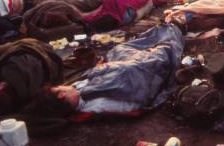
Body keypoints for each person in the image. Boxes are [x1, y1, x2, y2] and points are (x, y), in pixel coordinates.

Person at [32, 24, 183, 116]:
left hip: (122, 65)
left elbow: (97, 73)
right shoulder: (97, 105)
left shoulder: (78, 89)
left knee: (120, 48)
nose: (66, 86)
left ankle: (162, 33)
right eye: (60, 88)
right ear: (62, 96)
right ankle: (172, 31)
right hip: (140, 69)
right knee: (165, 48)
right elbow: (137, 100)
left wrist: (103, 69)